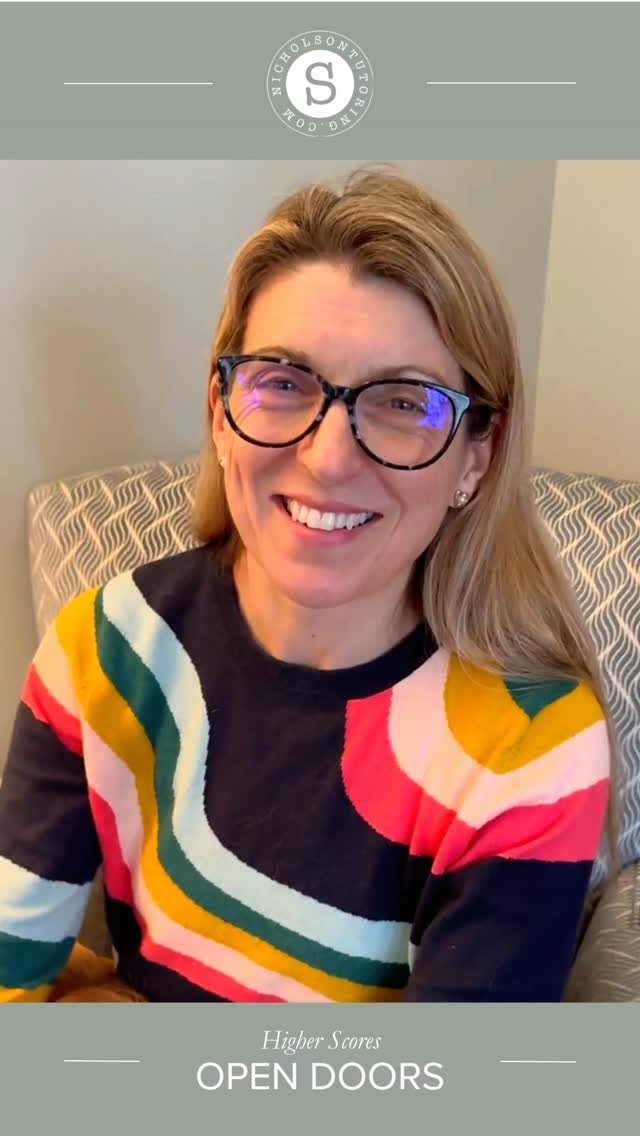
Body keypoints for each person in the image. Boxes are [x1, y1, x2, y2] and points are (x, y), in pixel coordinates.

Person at [0, 164, 616, 1003]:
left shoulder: (532, 743)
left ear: (478, 455)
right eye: (284, 382)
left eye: (405, 402)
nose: (329, 459)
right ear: (221, 414)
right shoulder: (102, 648)